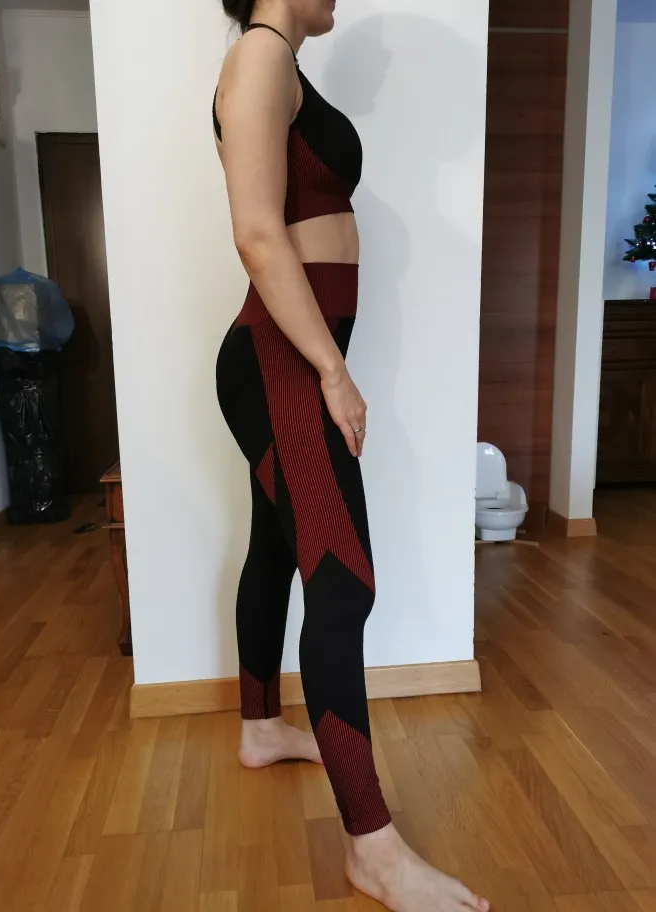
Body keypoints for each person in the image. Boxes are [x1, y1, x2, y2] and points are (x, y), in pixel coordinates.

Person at [213, 2, 490, 910]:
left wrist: (328, 363)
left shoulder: (279, 63)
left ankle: (261, 728)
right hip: (282, 363)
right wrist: (332, 372)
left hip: (291, 360)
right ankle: (374, 849)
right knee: (342, 582)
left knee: (274, 547)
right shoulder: (260, 55)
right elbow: (258, 233)